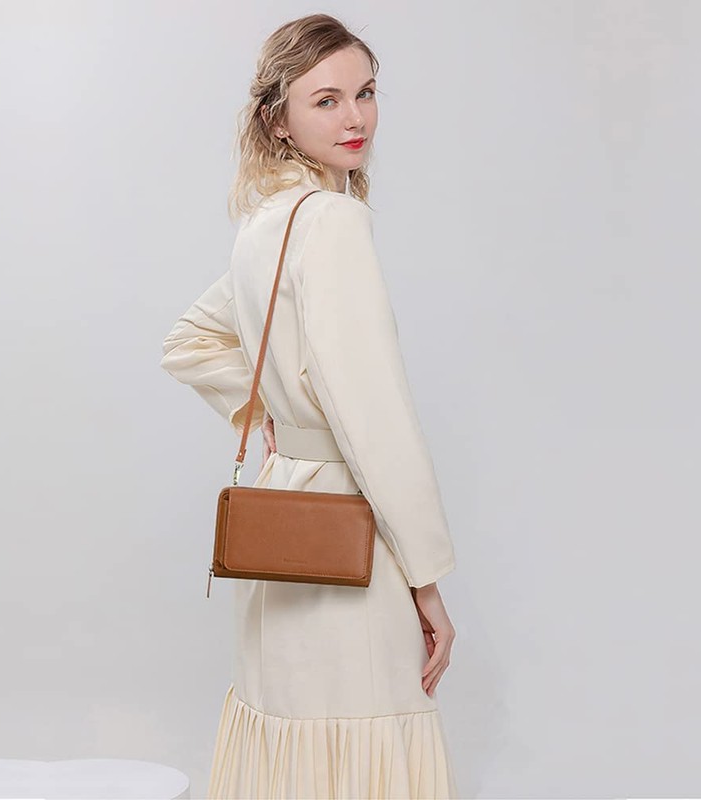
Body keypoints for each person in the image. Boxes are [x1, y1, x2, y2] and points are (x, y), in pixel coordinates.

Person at [160, 13, 459, 799]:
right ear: (279, 120)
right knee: (359, 752)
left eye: (365, 93)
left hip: (283, 513)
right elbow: (376, 419)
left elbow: (188, 340)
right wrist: (426, 579)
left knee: (291, 745)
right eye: (325, 100)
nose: (355, 117)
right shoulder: (331, 223)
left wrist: (271, 419)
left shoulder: (268, 224)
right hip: (347, 533)